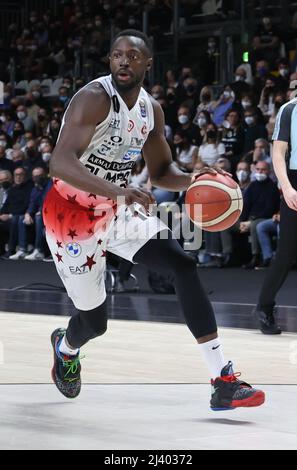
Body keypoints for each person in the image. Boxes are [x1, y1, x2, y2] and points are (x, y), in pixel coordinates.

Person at [44, 29, 265, 410]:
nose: (123, 61)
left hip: (116, 208)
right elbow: (59, 163)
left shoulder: (151, 110)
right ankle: (66, 348)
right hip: (71, 215)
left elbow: (162, 172)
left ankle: (222, 380)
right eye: (116, 55)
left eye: (132, 56)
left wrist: (198, 179)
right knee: (94, 323)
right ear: (109, 61)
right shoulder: (94, 98)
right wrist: (118, 190)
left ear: (148, 63)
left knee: (182, 263)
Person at [255, 95, 297, 335]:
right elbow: (278, 153)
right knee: (287, 252)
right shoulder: (289, 110)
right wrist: (287, 187)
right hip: (294, 182)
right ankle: (264, 307)